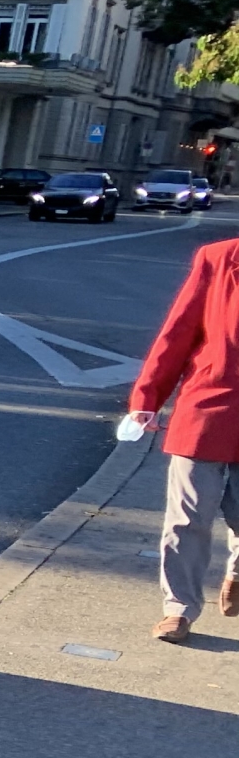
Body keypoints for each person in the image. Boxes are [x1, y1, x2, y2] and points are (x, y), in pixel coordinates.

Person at [126, 232, 239, 641]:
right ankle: (179, 609)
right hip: (209, 406)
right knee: (189, 517)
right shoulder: (219, 258)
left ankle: (237, 572)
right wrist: (148, 397)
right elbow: (179, 332)